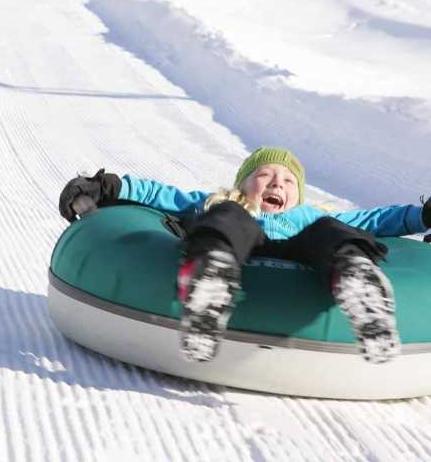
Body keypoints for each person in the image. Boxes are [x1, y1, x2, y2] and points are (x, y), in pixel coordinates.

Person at [59, 147, 431, 364]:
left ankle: (356, 282)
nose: (276, 184)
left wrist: (420, 216)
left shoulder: (312, 215)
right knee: (225, 217)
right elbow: (161, 194)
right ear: (243, 183)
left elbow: (377, 219)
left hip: (302, 250)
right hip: (238, 240)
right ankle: (210, 277)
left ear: (297, 195)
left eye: (287, 181)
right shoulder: (226, 201)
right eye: (264, 175)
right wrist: (107, 185)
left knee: (336, 231)